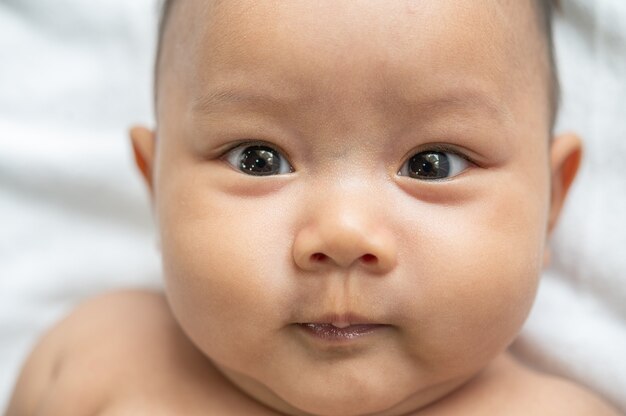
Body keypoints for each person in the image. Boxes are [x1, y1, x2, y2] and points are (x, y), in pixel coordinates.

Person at [6, 0, 622, 414]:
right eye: (257, 158)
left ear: (550, 202)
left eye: (433, 163)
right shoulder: (93, 363)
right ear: (154, 185)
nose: (344, 232)